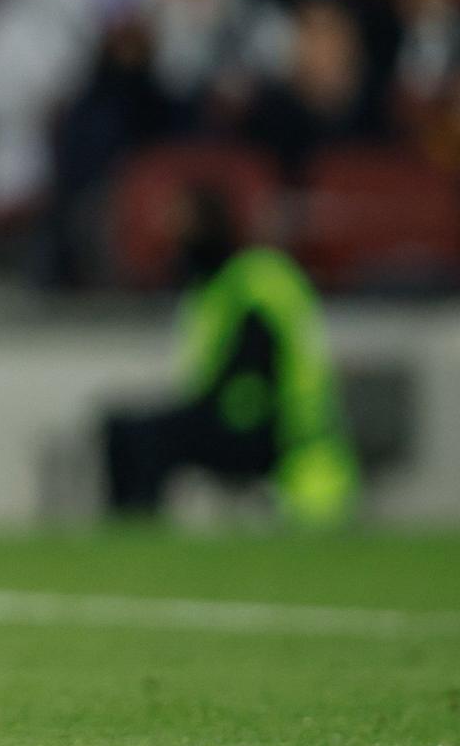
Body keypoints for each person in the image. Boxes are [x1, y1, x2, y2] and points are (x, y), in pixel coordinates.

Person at [102, 188, 358, 529]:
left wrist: (209, 411)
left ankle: (141, 529)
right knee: (123, 428)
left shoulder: (255, 280)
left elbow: (255, 369)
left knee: (152, 438)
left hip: (274, 427)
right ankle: (131, 529)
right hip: (236, 412)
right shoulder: (214, 287)